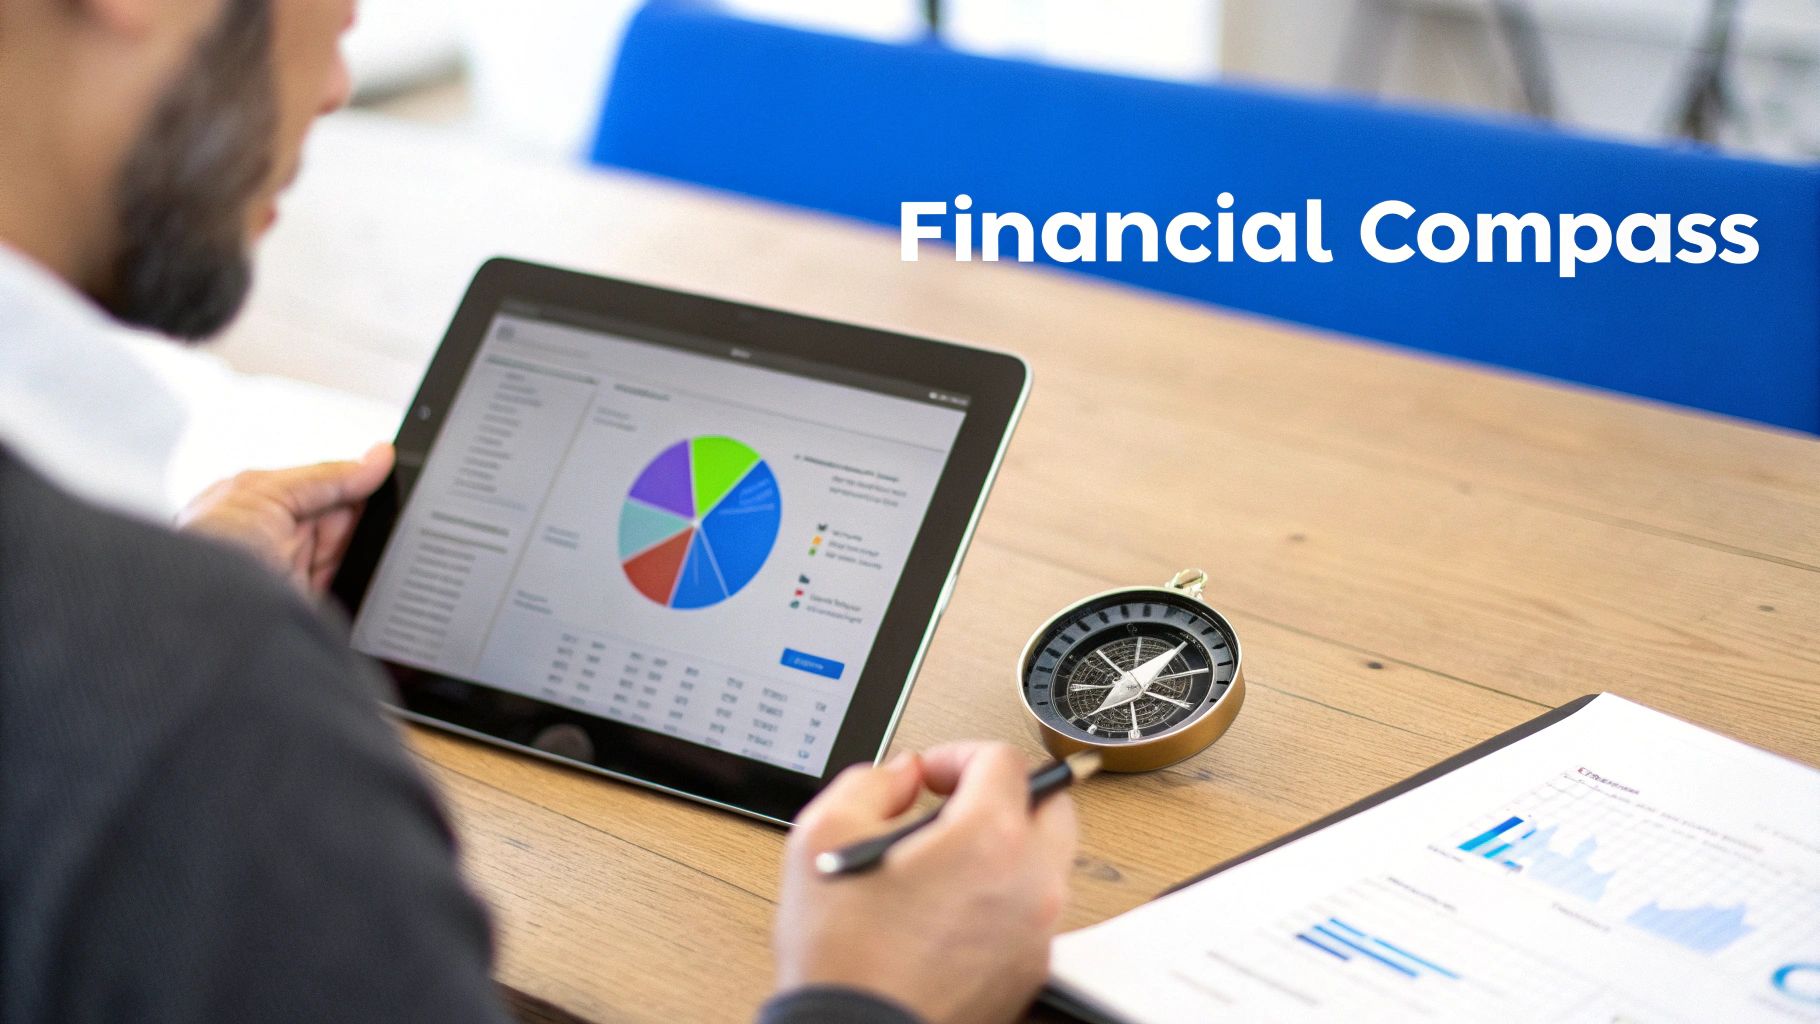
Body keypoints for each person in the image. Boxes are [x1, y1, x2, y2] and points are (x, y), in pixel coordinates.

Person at [0, 0, 1078, 1022]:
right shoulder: (208, 720)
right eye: (334, 14)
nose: (333, 87)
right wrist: (871, 996)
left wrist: (168, 611)